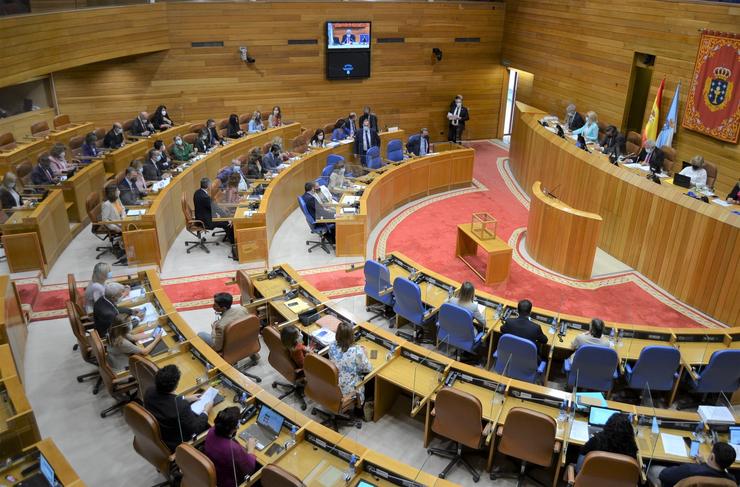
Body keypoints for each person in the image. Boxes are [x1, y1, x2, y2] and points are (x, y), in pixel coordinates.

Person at [144, 364, 211, 452]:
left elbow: (165, 401)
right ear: (175, 385)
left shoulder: (149, 391)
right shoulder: (181, 407)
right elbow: (196, 428)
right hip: (176, 443)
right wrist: (206, 411)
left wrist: (185, 399)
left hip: (161, 433)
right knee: (210, 425)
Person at [204, 407, 257, 487]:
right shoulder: (232, 449)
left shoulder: (211, 431)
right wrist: (251, 449)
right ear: (233, 429)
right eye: (237, 425)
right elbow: (250, 469)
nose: (238, 427)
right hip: (226, 482)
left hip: (213, 476)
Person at [648, 441, 736, 487]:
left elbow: (664, 475)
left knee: (652, 467)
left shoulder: (690, 470)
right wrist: (704, 463)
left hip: (669, 479)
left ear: (712, 456)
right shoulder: (732, 481)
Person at [329, 322, 372, 405]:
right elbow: (367, 369)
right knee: (370, 381)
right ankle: (359, 410)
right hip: (348, 391)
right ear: (351, 336)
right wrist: (365, 354)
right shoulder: (357, 351)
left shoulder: (332, 346)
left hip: (333, 385)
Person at [194, 178, 234, 243]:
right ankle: (233, 242)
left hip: (200, 217)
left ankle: (229, 235)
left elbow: (213, 207)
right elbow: (216, 209)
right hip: (206, 221)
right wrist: (228, 218)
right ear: (208, 186)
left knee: (224, 218)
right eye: (210, 185)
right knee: (227, 224)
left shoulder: (197, 192)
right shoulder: (205, 197)